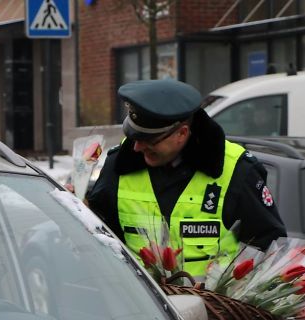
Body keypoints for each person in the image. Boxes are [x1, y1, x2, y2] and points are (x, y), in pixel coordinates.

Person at [86, 78, 286, 279]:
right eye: (134, 137)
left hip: (214, 309)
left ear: (181, 133)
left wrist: (233, 291)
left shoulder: (238, 171)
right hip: (141, 308)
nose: (136, 147)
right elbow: (100, 235)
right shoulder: (119, 164)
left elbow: (267, 245)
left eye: (149, 140)